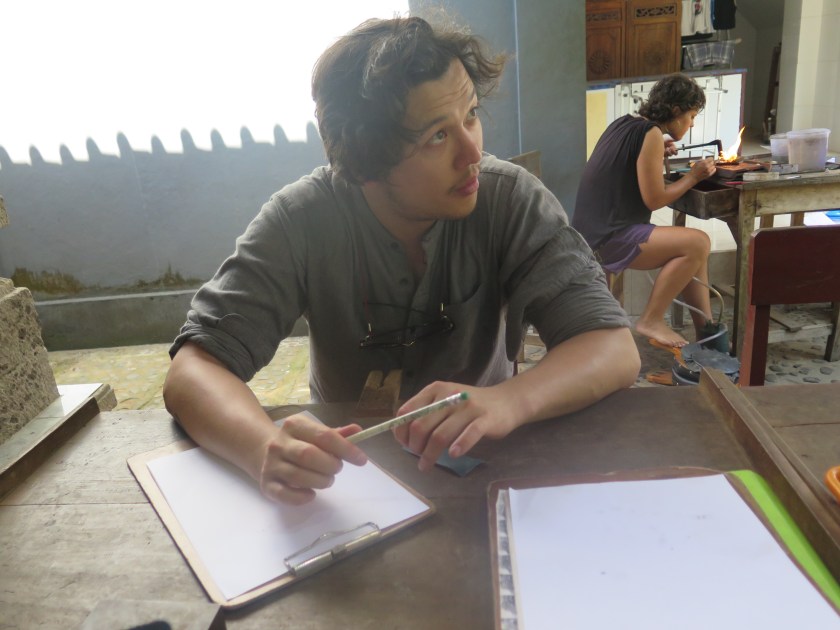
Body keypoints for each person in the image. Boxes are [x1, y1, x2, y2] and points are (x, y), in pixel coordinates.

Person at [162, 16, 640, 505]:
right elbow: (194, 370)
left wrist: (509, 401)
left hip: (485, 464)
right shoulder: (300, 220)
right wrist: (262, 446)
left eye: (471, 116)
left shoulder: (510, 200)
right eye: (437, 137)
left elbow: (613, 348)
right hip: (344, 483)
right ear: (366, 161)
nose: (473, 152)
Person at [572, 73, 718, 348]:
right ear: (675, 111)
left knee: (695, 252)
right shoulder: (650, 134)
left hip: (591, 230)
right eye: (691, 116)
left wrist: (658, 151)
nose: (692, 124)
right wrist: (694, 176)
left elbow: (629, 167)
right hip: (606, 238)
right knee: (698, 242)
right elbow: (654, 199)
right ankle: (651, 319)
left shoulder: (626, 123)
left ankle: (708, 336)